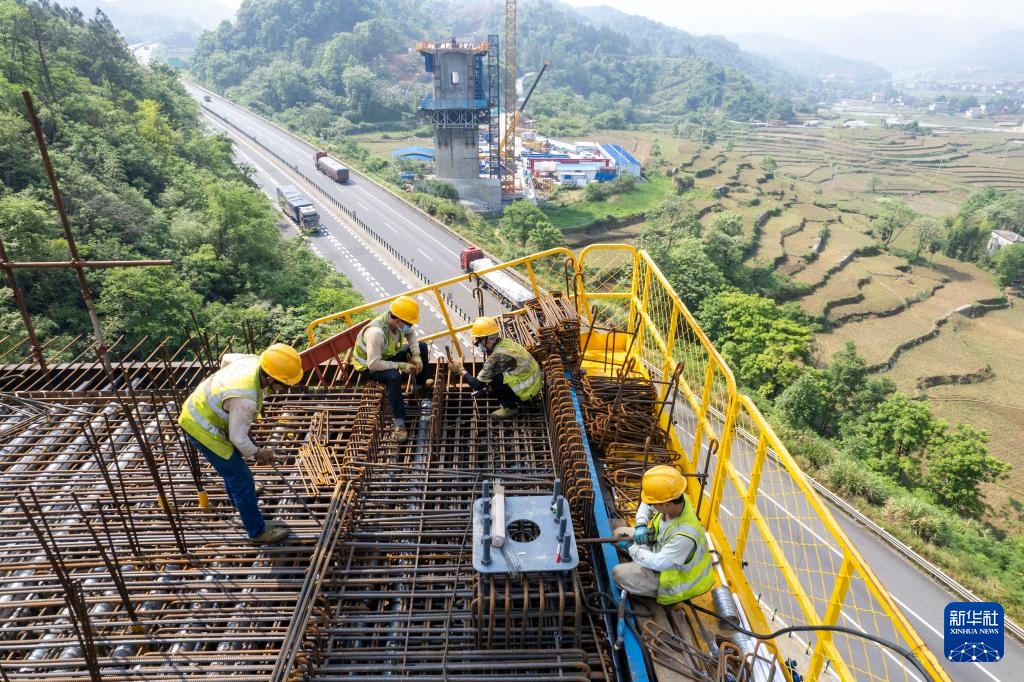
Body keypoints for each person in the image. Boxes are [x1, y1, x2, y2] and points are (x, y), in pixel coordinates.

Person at [178, 343, 304, 544]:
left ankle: (237, 499)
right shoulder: (245, 399)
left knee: (235, 471)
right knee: (241, 477)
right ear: (270, 379)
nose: (286, 389)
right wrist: (258, 453)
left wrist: (225, 398)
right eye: (285, 385)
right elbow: (238, 439)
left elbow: (226, 358)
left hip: (202, 408)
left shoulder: (253, 360)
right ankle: (257, 531)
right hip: (202, 428)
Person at [612, 465, 715, 605]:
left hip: (673, 579)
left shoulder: (684, 535)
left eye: (654, 504)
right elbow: (647, 505)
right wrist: (641, 525)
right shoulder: (676, 497)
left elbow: (658, 563)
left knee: (619, 574)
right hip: (660, 548)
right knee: (618, 535)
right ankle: (638, 562)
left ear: (665, 504)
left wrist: (631, 548)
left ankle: (654, 587)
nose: (651, 505)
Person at [351, 295, 430, 443]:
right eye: (409, 323)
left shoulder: (397, 323)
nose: (410, 327)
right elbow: (373, 364)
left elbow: (411, 334)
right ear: (398, 320)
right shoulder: (377, 333)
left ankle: (420, 387)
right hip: (369, 367)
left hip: (387, 357)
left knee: (422, 346)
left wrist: (417, 355)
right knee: (393, 377)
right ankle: (399, 422)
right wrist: (400, 366)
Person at [447, 316, 541, 419]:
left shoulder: (496, 356)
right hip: (535, 384)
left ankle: (510, 408)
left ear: (485, 339)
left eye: (478, 340)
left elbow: (477, 385)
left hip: (526, 394)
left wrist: (460, 369)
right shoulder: (505, 342)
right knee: (493, 375)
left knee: (494, 378)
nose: (478, 344)